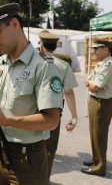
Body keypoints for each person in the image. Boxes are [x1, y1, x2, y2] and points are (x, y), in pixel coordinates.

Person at [0, 3, 63, 185]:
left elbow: (52, 121)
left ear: (14, 25)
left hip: (28, 156)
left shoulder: (43, 66)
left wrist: (5, 120)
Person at [38, 30, 79, 180]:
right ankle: (44, 180)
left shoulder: (32, 62)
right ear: (55, 47)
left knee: (29, 146)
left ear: (41, 45)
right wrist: (74, 117)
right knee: (48, 149)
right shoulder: (63, 66)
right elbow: (68, 92)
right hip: (53, 112)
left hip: (31, 111)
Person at [82, 38, 112, 176]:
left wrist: (88, 82)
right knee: (94, 133)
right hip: (96, 100)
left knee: (99, 134)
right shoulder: (102, 63)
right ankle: (96, 159)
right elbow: (90, 82)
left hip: (102, 102)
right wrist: (89, 82)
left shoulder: (108, 64)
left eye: (96, 48)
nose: (93, 51)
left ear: (105, 49)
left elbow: (94, 86)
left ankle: (99, 167)